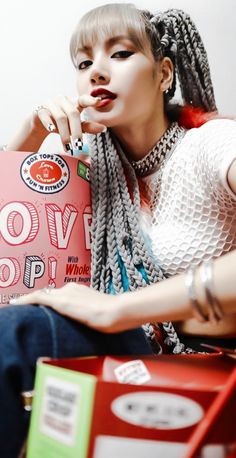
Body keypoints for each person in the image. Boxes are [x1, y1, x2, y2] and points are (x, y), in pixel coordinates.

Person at [1, 3, 236, 455]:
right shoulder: (95, 167)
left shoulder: (210, 145)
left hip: (208, 364)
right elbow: (9, 231)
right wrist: (32, 130)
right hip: (132, 361)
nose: (97, 72)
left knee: (12, 337)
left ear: (165, 73)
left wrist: (121, 309)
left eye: (121, 54)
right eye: (84, 63)